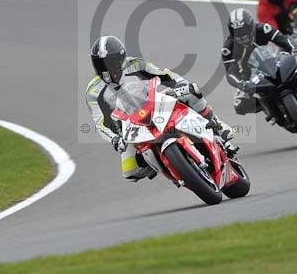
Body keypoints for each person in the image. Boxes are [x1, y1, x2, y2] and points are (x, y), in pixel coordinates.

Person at [86, 35, 237, 181]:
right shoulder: (93, 91)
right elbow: (100, 123)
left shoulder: (135, 64)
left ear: (120, 57)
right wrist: (115, 139)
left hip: (156, 103)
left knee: (192, 91)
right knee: (131, 170)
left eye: (110, 61)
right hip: (129, 126)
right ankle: (164, 163)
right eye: (100, 64)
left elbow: (165, 74)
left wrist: (180, 84)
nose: (106, 68)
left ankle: (217, 125)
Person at [222, 8, 297, 115]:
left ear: (252, 27)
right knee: (239, 105)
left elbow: (283, 39)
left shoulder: (262, 29)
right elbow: (230, 71)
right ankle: (268, 108)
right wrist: (240, 83)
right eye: (238, 35)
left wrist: (294, 49)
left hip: (275, 60)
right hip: (250, 76)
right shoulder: (228, 48)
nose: (243, 38)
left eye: (245, 33)